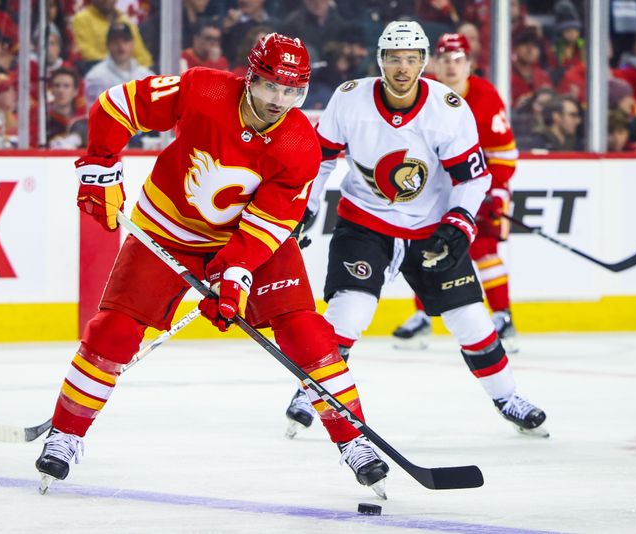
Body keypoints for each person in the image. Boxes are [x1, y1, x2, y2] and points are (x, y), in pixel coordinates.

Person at [34, 32, 389, 499]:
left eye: (292, 91)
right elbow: (116, 105)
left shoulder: (299, 143)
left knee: (306, 331)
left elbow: (267, 225)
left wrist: (235, 273)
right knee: (113, 331)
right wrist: (100, 164)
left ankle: (354, 441)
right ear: (249, 77)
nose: (279, 101)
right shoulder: (204, 89)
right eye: (269, 86)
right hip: (168, 227)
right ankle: (66, 434)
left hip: (251, 240)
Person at [283, 21, 548, 441]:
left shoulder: (448, 108)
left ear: (424, 62)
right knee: (349, 311)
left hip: (431, 230)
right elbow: (321, 160)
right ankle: (310, 392)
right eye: (394, 59)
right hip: (365, 223)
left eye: (411, 59)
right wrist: (307, 205)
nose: (402, 68)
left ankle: (507, 396)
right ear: (380, 61)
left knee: (472, 320)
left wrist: (460, 222)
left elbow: (472, 178)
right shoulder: (349, 99)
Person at [392, 33, 520, 352]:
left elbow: (504, 154)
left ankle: (503, 316)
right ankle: (423, 316)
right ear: (434, 63)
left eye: (458, 59)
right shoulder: (424, 93)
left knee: (485, 248)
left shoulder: (485, 97)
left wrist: (496, 192)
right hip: (434, 188)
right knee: (425, 247)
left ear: (470, 65)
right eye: (444, 59)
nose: (450, 66)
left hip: (478, 186)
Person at [71, 0, 153, 71]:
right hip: (97, 69)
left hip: (130, 72)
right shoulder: (82, 19)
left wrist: (133, 68)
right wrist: (118, 64)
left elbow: (142, 56)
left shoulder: (125, 20)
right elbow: (87, 53)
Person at [84, 23, 155, 103]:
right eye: (115, 41)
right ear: (107, 44)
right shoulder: (95, 77)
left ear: (132, 44)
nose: (121, 46)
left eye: (125, 41)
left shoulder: (146, 75)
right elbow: (93, 112)